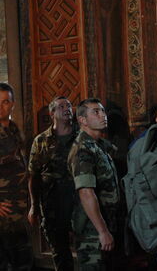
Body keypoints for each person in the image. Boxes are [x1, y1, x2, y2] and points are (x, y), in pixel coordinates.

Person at [68, 98, 120, 270]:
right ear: (82, 120)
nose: (103, 115)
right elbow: (86, 193)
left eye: (103, 111)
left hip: (108, 222)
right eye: (96, 112)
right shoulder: (83, 148)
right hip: (92, 230)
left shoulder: (99, 145)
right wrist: (102, 231)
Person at [28, 96, 77, 271]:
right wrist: (34, 206)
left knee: (88, 250)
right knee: (60, 253)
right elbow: (33, 175)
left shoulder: (82, 136)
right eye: (61, 106)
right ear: (52, 113)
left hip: (79, 203)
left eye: (69, 106)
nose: (67, 109)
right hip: (52, 205)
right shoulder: (41, 141)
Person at [0, 82, 33, 270]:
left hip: (19, 212)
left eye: (5, 102)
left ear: (12, 104)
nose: (0, 107)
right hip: (2, 215)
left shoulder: (15, 131)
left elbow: (25, 168)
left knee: (23, 262)